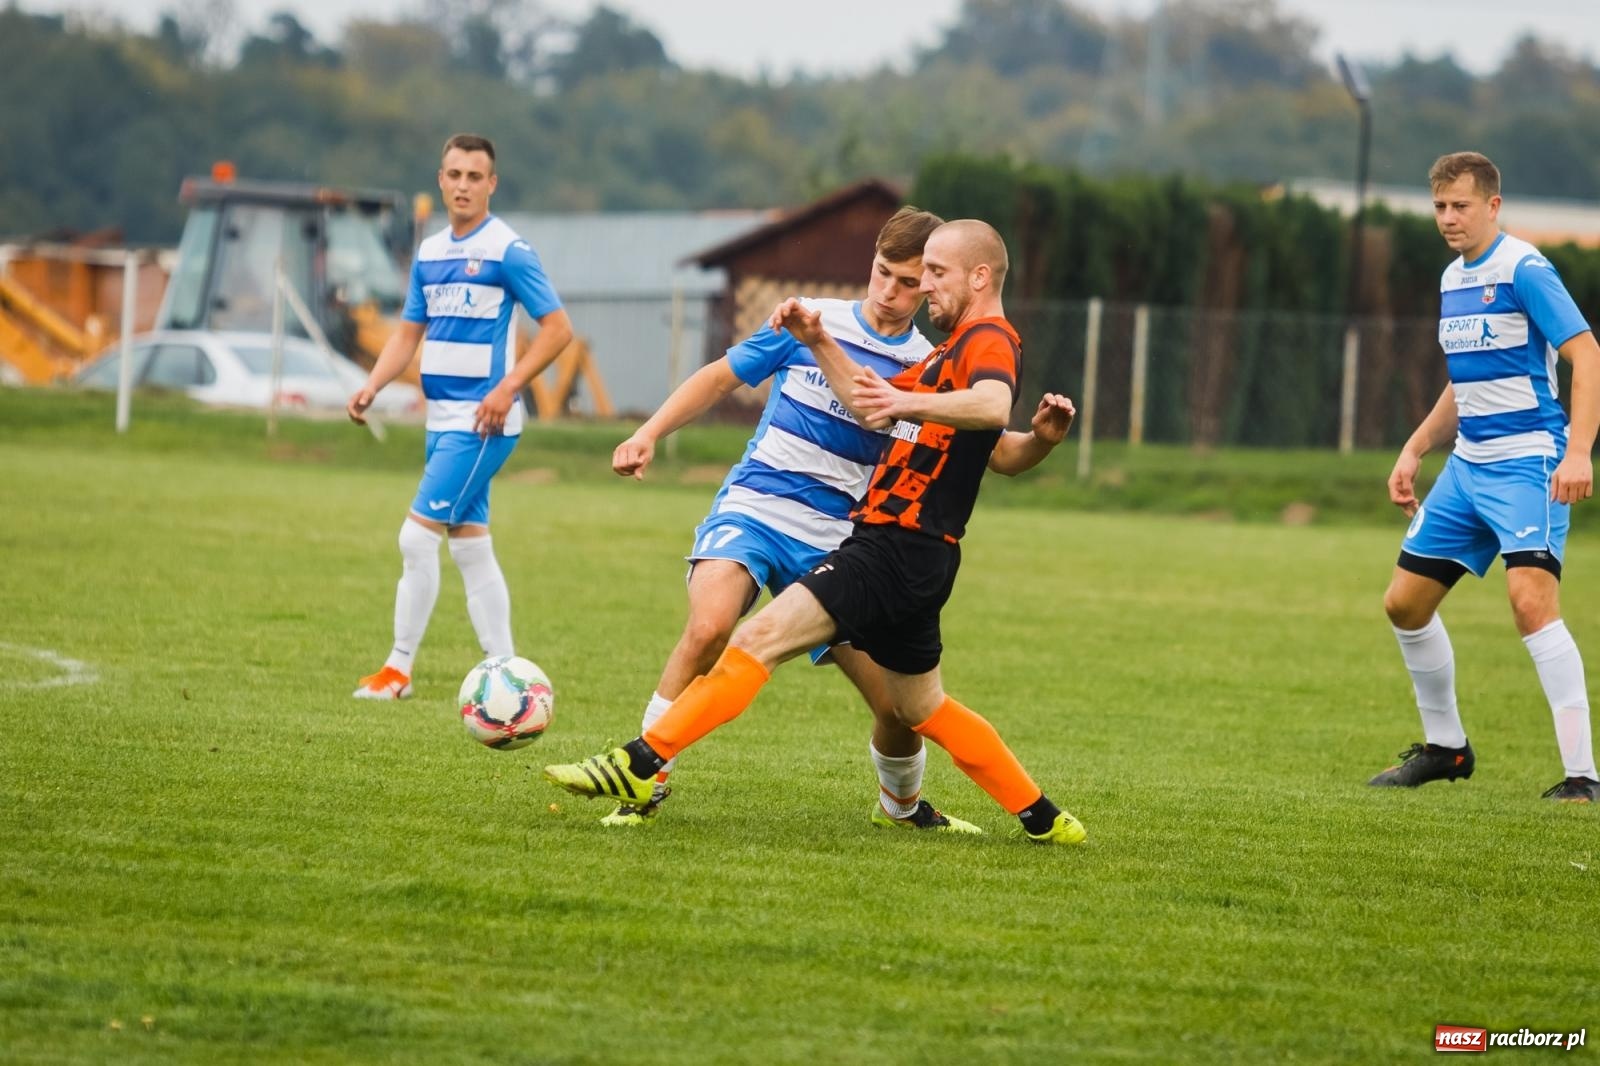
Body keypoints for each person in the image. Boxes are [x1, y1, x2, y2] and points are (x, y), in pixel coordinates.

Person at [545, 219, 1087, 844]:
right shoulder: (944, 353)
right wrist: (815, 338)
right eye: (905, 272)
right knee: (916, 706)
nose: (915, 288)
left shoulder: (984, 339)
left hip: (881, 544)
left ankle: (641, 764)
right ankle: (1045, 818)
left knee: (765, 640)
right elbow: (869, 401)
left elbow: (989, 408)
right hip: (903, 550)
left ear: (979, 276)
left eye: (930, 276)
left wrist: (905, 405)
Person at [1372, 151, 1600, 803]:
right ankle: (1446, 750)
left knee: (1531, 604)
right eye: (1440, 207)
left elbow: (1587, 357)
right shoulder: (1452, 279)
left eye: (1461, 206)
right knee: (1404, 604)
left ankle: (1583, 777)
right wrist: (1414, 450)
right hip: (1467, 466)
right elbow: (1464, 383)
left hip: (1530, 459)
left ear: (1492, 206)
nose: (1449, 218)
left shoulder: (1525, 268)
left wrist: (1579, 450)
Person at [347, 133, 573, 699]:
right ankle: (508, 673)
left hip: (482, 422)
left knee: (414, 539)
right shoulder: (429, 252)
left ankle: (397, 670)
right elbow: (407, 334)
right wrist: (372, 384)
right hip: (441, 420)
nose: (463, 185)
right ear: (441, 180)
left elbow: (558, 330)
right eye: (454, 174)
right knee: (470, 545)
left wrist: (509, 387)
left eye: (475, 176)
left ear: (491, 184)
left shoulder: (508, 250)